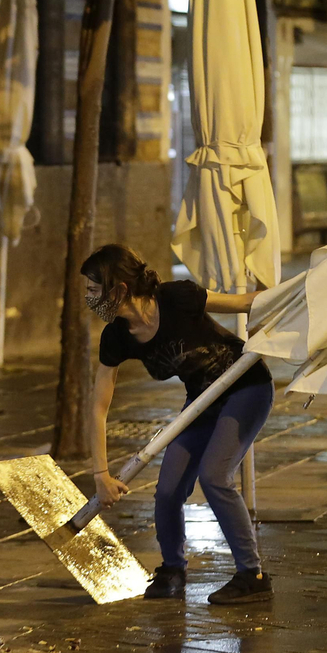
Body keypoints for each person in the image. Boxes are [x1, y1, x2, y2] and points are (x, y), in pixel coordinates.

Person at [82, 244, 274, 605]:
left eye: (94, 289)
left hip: (246, 388)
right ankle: (172, 570)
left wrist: (303, 292)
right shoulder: (117, 336)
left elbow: (245, 303)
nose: (89, 299)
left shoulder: (176, 297)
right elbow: (98, 408)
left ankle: (253, 575)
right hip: (200, 403)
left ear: (120, 289)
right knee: (168, 489)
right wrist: (101, 474)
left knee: (215, 477)